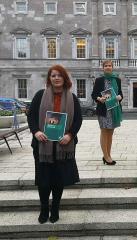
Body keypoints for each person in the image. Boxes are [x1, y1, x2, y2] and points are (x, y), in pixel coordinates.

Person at [27, 65, 82, 224]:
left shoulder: (72, 98)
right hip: (42, 144)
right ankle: (44, 208)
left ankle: (55, 208)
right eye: (53, 76)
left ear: (65, 78)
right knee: (44, 181)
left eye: (59, 75)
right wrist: (36, 131)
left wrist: (70, 135)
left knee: (58, 180)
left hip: (63, 145)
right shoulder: (40, 95)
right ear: (49, 79)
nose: (56, 78)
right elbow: (31, 117)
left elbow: (78, 120)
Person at [91, 60, 123, 165]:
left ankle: (108, 155)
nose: (108, 67)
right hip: (103, 110)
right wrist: (99, 98)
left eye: (110, 66)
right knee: (104, 132)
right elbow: (94, 94)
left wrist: (119, 97)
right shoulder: (99, 80)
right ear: (103, 68)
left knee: (110, 133)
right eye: (106, 66)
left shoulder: (117, 80)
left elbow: (120, 94)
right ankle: (106, 156)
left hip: (114, 109)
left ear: (112, 67)